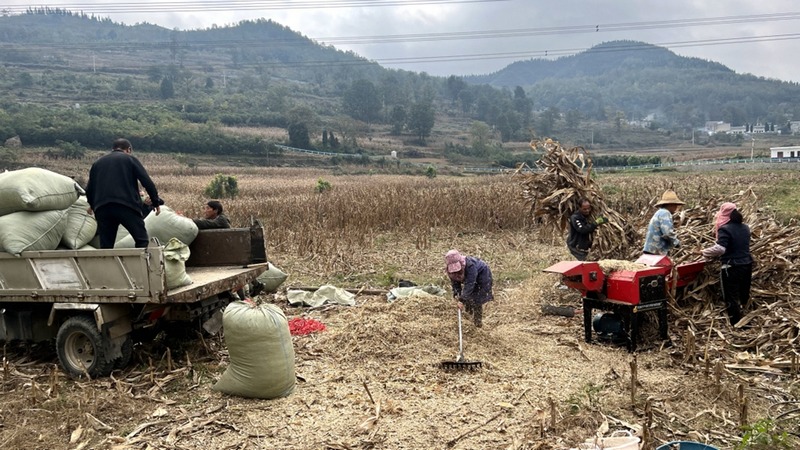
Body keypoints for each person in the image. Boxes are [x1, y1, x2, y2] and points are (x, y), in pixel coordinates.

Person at [86, 138, 161, 248]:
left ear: (113, 149)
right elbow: (147, 182)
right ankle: (139, 265)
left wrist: (92, 205)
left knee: (106, 247)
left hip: (103, 208)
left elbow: (89, 188)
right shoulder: (130, 159)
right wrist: (156, 202)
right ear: (129, 149)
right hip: (126, 206)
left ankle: (108, 265)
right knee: (142, 240)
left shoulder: (97, 163)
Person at [701, 203, 753, 324]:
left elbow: (720, 249)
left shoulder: (725, 229)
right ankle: (747, 318)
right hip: (747, 264)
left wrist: (704, 252)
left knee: (731, 296)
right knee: (743, 293)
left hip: (732, 267)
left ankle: (736, 323)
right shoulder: (745, 227)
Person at [445, 249, 493, 328]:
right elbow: (455, 283)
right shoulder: (450, 271)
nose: (455, 271)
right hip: (471, 279)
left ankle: (477, 324)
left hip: (482, 275)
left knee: (477, 299)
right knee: (467, 299)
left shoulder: (470, 265)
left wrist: (462, 300)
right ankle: (468, 319)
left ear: (460, 261)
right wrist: (457, 294)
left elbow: (470, 283)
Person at [642, 190, 684, 255]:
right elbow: (668, 233)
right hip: (656, 250)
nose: (676, 207)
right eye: (675, 205)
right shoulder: (665, 213)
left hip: (650, 248)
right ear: (670, 205)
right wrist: (677, 243)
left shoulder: (659, 212)